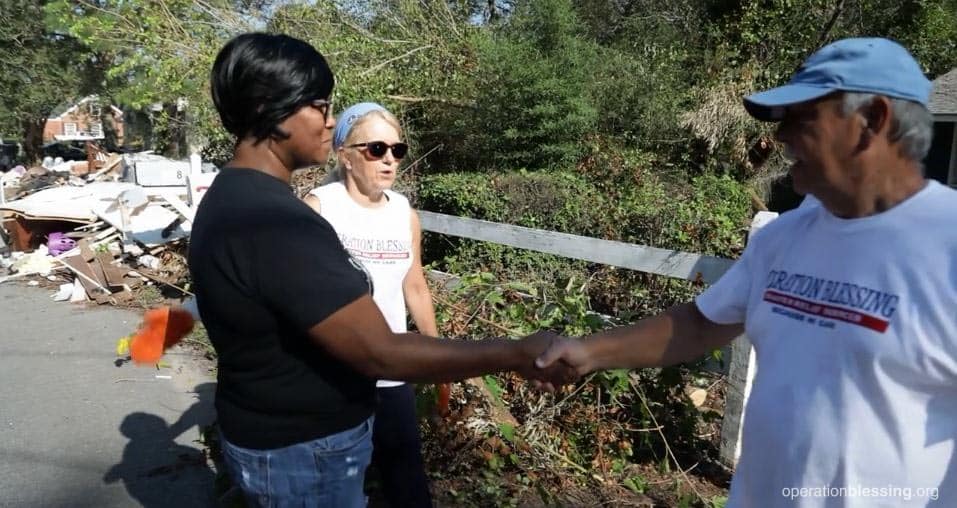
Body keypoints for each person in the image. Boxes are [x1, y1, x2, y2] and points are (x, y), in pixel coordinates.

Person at [536, 37, 957, 507]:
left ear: (872, 121)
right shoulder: (783, 238)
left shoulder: (948, 246)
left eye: (802, 118)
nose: (780, 138)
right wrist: (587, 351)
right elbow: (701, 323)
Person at [189, 32, 569, 507]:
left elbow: (411, 287)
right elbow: (381, 352)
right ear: (273, 107)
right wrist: (515, 352)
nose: (330, 122)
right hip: (305, 453)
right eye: (321, 106)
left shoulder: (230, 197)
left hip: (273, 437)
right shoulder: (279, 222)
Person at [304, 102, 438, 507]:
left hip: (392, 372)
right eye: (376, 149)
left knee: (407, 482)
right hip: (335, 375)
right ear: (345, 155)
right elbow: (303, 296)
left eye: (398, 150)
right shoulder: (320, 207)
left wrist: (438, 355)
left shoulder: (403, 213)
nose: (390, 160)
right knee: (337, 487)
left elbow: (414, 286)